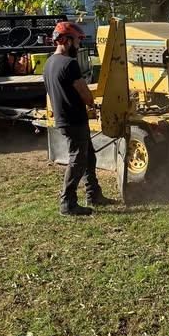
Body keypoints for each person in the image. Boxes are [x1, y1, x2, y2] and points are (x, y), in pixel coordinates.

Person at [43, 21, 115, 216]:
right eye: (77, 41)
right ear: (66, 40)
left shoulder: (49, 63)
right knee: (78, 160)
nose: (79, 46)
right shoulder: (69, 64)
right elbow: (85, 94)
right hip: (74, 119)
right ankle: (67, 203)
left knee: (88, 156)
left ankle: (94, 194)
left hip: (63, 117)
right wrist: (93, 104)